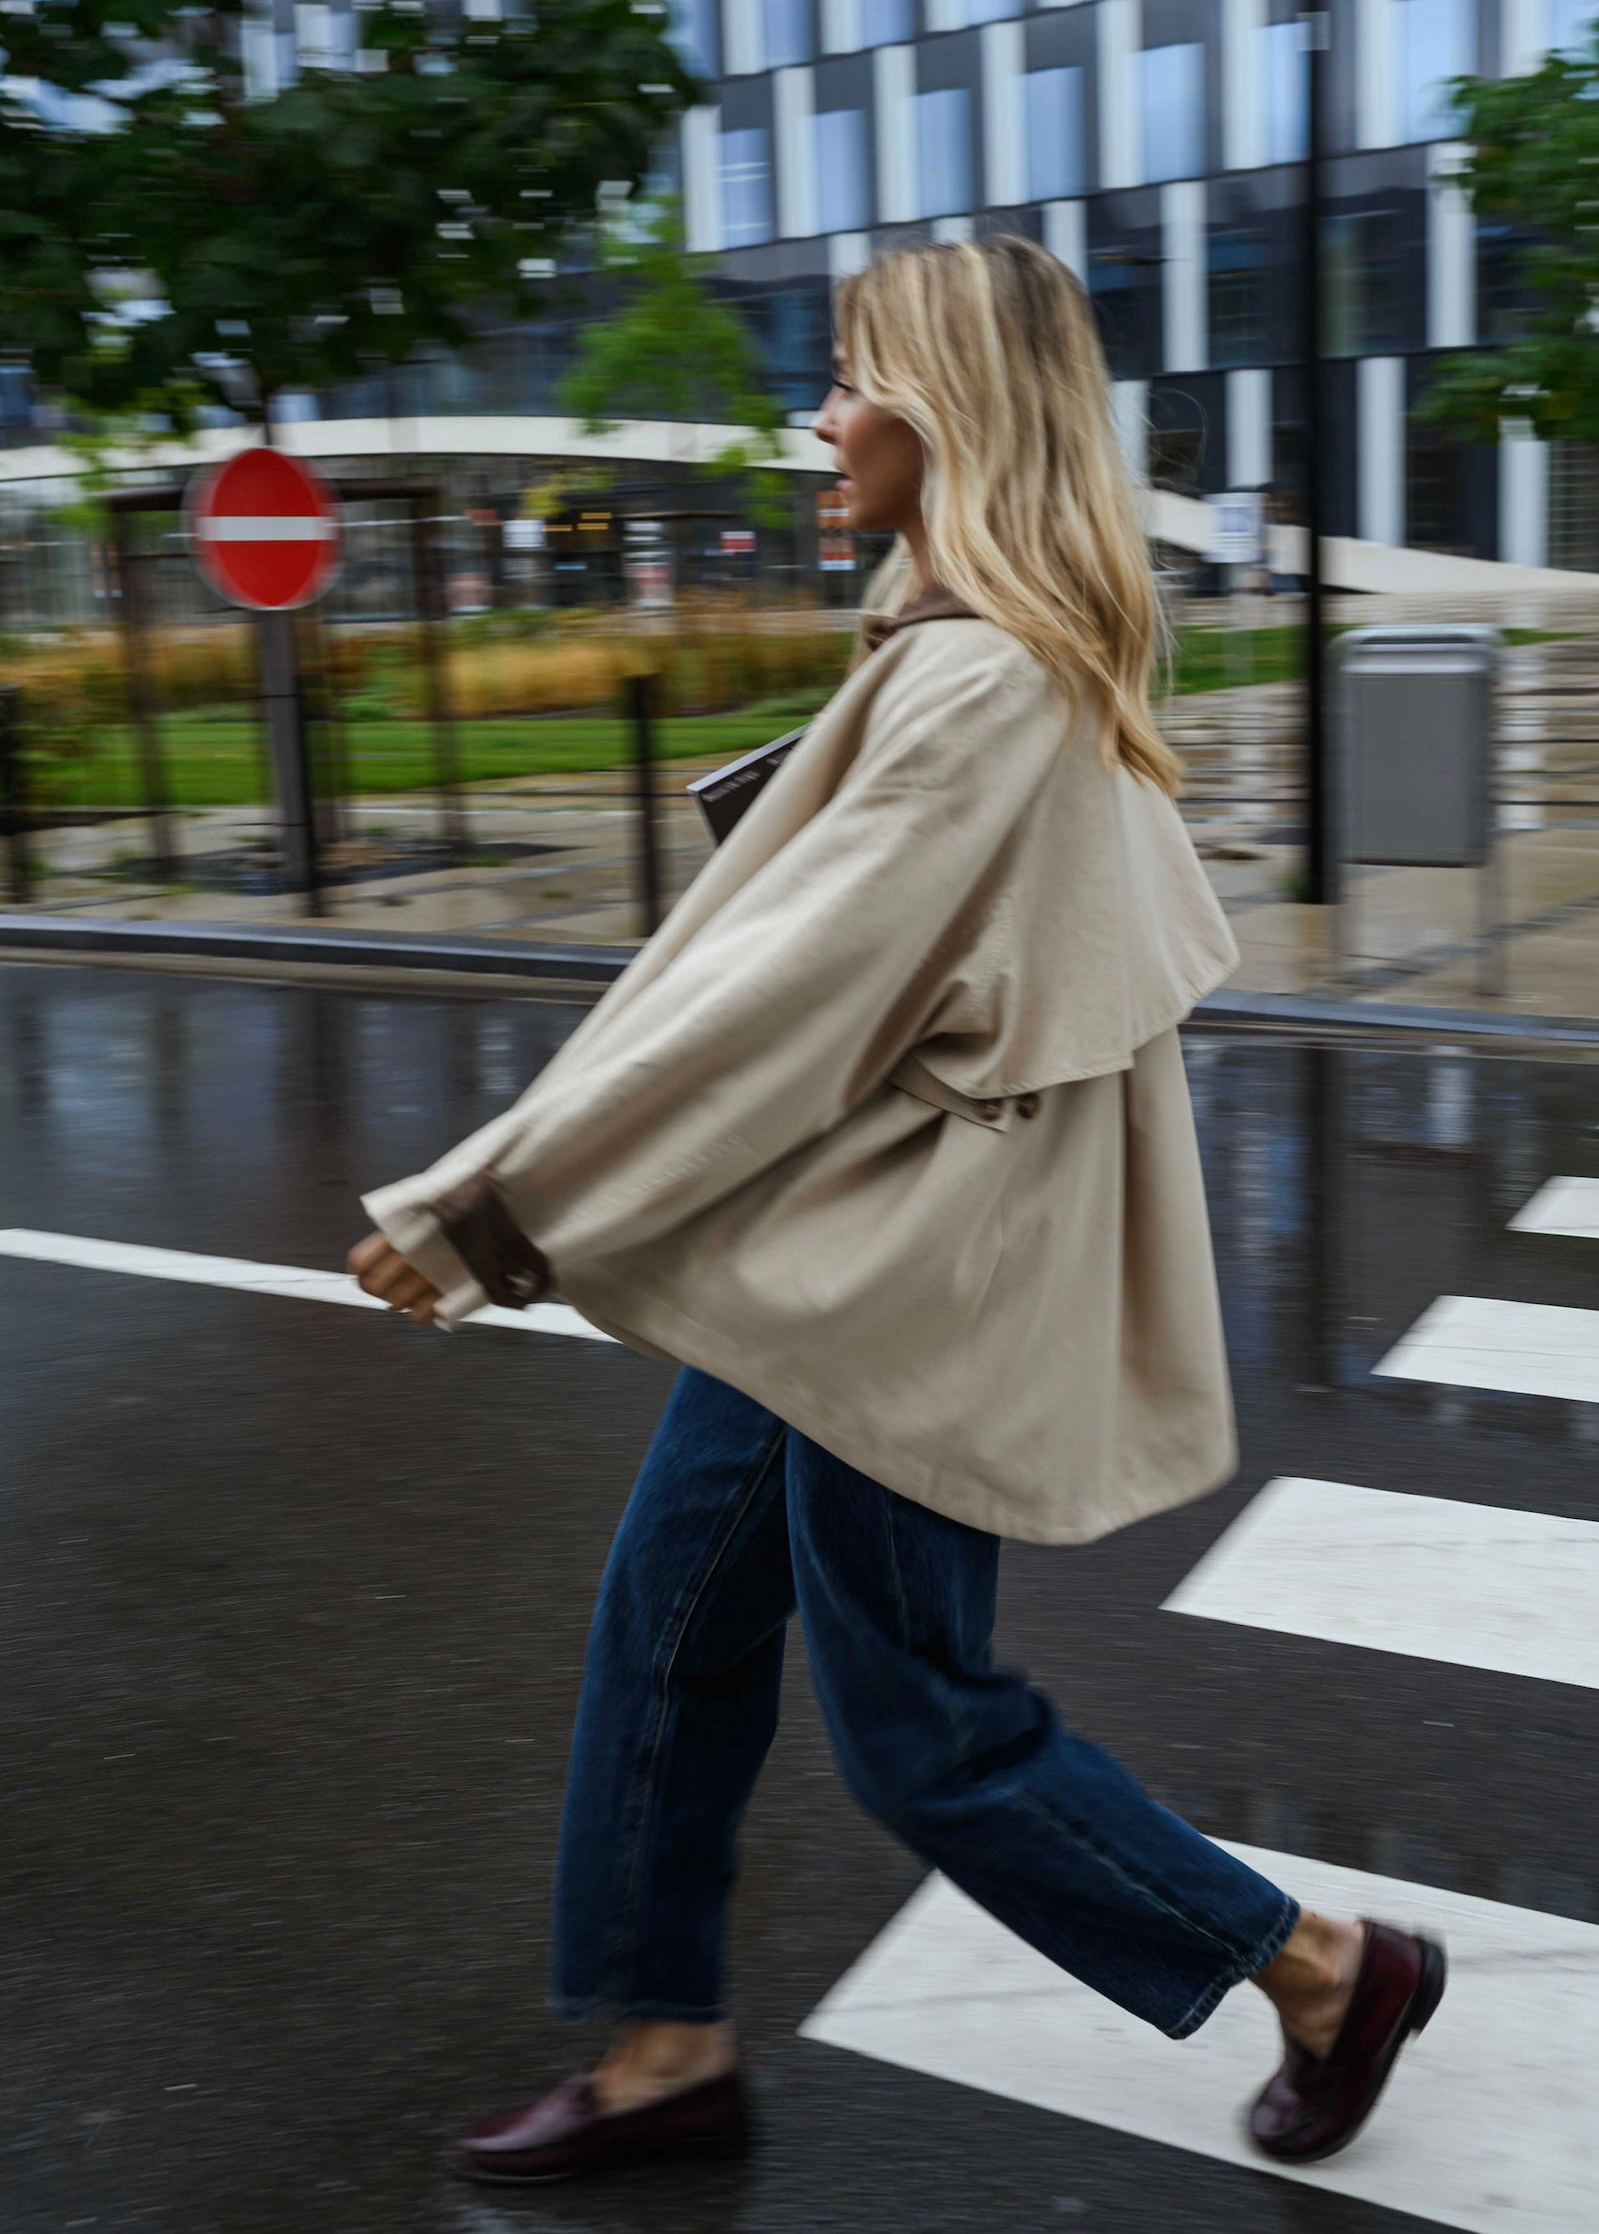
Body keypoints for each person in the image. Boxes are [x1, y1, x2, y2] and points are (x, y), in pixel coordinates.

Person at [349, 236, 1444, 2188]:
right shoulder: (965, 656)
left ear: (950, 411)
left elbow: (763, 1012)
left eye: (853, 377)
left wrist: (487, 1208)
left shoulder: (982, 687)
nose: (821, 415)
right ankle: (663, 2048)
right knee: (667, 1639)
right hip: (834, 1283)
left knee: (925, 1725)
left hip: (907, 1298)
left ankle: (1319, 1967)